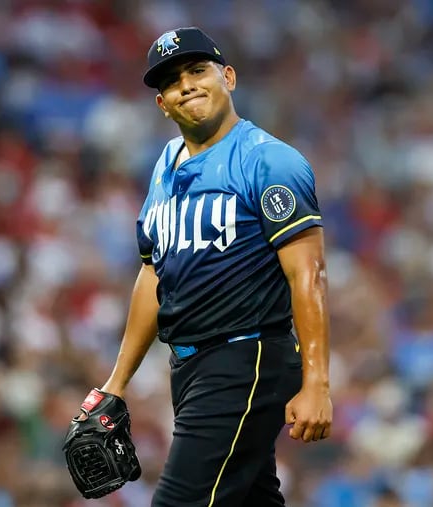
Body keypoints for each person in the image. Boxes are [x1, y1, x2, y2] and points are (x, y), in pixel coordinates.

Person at [97, 26, 332, 506]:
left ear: (228, 76)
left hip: (247, 358)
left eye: (198, 70)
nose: (187, 84)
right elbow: (153, 274)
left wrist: (317, 382)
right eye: (172, 81)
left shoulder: (269, 161)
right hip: (189, 370)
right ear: (162, 103)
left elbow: (307, 275)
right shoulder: (165, 165)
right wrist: (115, 385)